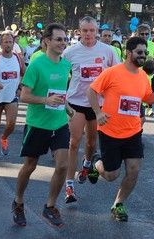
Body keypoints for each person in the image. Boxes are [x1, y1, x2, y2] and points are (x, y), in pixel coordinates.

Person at [86, 36, 154, 221]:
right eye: (140, 52)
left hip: (133, 131)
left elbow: (147, 97)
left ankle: (118, 204)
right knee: (111, 175)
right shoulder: (112, 72)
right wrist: (98, 113)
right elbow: (91, 91)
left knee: (134, 170)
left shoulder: (142, 76)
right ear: (128, 52)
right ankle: (96, 163)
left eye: (145, 53)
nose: (143, 56)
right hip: (110, 131)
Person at [11, 23, 74, 228]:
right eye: (59, 39)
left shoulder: (66, 65)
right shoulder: (36, 65)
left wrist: (67, 106)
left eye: (65, 39)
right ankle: (19, 201)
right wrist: (46, 101)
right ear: (47, 41)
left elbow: (59, 92)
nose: (63, 43)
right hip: (37, 124)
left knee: (63, 165)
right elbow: (25, 95)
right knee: (30, 166)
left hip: (59, 123)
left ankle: (50, 206)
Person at [62, 16, 119, 203]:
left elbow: (116, 76)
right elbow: (61, 76)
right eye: (85, 30)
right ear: (79, 31)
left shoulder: (108, 51)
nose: (88, 34)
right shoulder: (70, 52)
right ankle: (69, 185)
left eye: (92, 31)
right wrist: (63, 99)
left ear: (97, 31)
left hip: (98, 105)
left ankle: (87, 164)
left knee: (91, 143)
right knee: (74, 142)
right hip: (76, 102)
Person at [0, 31, 25, 160]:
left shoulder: (18, 58)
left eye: (10, 42)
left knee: (11, 124)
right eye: (6, 42)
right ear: (1, 43)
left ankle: (4, 138)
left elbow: (24, 74)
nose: (8, 44)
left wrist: (20, 87)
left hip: (11, 97)